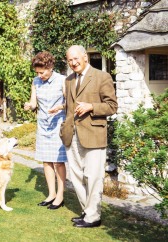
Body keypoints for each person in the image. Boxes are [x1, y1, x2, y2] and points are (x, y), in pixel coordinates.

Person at [49, 45, 118, 228]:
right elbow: (71, 107)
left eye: (76, 59)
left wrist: (92, 107)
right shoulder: (69, 80)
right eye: (69, 60)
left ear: (85, 57)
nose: (73, 63)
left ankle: (93, 216)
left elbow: (112, 106)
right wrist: (62, 111)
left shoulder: (102, 77)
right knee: (77, 176)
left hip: (94, 134)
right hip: (72, 135)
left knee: (93, 177)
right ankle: (87, 212)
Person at [24, 51, 67, 210]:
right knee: (46, 160)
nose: (40, 75)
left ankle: (61, 195)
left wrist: (60, 107)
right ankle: (51, 194)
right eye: (37, 72)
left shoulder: (62, 80)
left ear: (50, 67)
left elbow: (70, 102)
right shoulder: (36, 81)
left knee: (58, 161)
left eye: (42, 72)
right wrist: (29, 106)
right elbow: (34, 103)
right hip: (43, 124)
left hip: (58, 123)